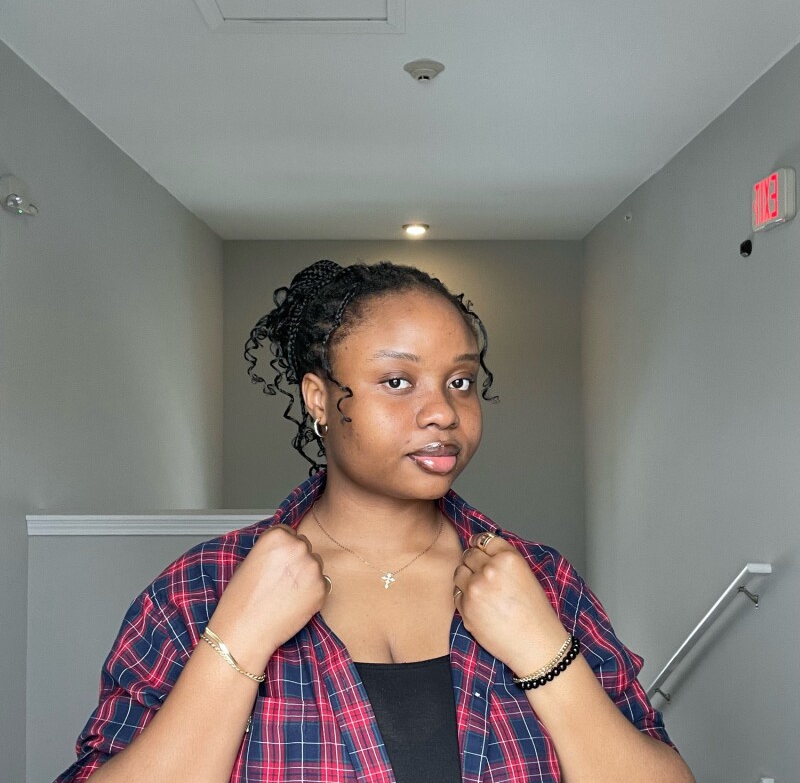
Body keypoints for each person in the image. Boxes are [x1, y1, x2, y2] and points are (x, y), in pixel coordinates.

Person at [56, 259, 694, 783]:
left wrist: (543, 652)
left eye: (461, 382)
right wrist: (238, 641)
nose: (442, 412)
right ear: (319, 399)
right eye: (397, 381)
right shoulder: (199, 590)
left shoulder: (544, 583)